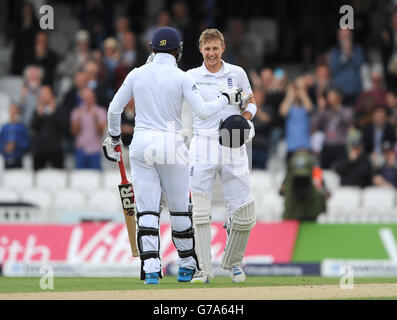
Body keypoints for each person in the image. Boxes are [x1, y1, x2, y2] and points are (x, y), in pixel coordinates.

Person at [102, 27, 242, 285]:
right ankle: (187, 265)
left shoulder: (136, 74)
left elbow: (114, 110)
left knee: (146, 211)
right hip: (171, 143)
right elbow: (203, 112)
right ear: (177, 51)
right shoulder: (182, 77)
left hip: (142, 145)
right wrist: (225, 98)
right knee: (179, 210)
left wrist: (113, 139)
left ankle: (152, 269)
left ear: (152, 49)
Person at [185, 28, 257, 284]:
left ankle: (234, 264)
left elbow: (251, 102)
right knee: (200, 210)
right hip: (203, 142)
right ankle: (203, 269)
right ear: (200, 49)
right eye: (207, 49)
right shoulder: (191, 76)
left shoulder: (236, 73)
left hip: (232, 143)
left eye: (216, 48)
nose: (212, 53)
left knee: (241, 209)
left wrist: (243, 118)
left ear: (223, 48)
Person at [71, 88, 107, 170]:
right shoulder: (76, 112)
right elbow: (74, 132)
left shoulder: (101, 111)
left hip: (95, 150)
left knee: (96, 178)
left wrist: (95, 119)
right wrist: (78, 120)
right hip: (81, 149)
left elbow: (101, 132)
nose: (87, 101)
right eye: (85, 99)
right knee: (79, 177)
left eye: (89, 98)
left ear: (94, 98)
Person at [30, 86, 64, 170]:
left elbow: (63, 127)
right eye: (42, 94)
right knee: (36, 175)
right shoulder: (37, 110)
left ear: (51, 95)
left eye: (45, 94)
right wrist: (39, 115)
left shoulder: (59, 109)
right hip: (40, 149)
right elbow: (33, 127)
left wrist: (53, 113)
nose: (43, 96)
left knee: (58, 175)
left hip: (55, 148)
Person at [279, 76, 313, 161]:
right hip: (291, 147)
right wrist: (290, 94)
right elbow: (283, 111)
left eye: (302, 89)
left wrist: (302, 92)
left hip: (305, 146)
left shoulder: (306, 106)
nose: (299, 91)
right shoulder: (290, 107)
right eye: (297, 89)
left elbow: (309, 108)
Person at [0, 104, 30, 169]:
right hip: (6, 158)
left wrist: (16, 145)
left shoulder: (22, 127)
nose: (12, 114)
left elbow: (26, 143)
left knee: (17, 176)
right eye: (11, 111)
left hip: (18, 158)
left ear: (17, 113)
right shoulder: (4, 127)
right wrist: (5, 147)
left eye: (14, 112)